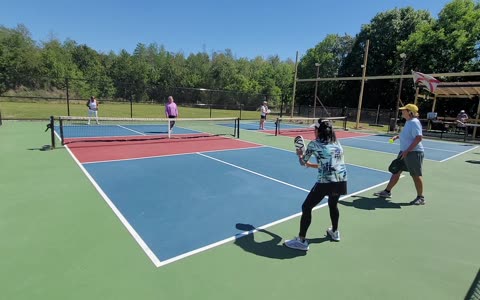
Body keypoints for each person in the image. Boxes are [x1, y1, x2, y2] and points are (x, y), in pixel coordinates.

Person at [284, 119, 348, 251]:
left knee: (306, 207)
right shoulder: (337, 143)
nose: (313, 131)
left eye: (315, 129)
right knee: (333, 204)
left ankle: (301, 241)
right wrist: (310, 164)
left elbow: (302, 162)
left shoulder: (314, 144)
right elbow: (328, 165)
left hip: (325, 183)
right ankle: (335, 232)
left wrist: (300, 155)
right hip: (341, 180)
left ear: (319, 131)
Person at [374, 103, 425, 205]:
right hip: (404, 152)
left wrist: (407, 151)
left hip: (413, 153)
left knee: (416, 175)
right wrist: (397, 137)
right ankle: (387, 192)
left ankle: (421, 197)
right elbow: (406, 135)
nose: (402, 112)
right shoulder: (408, 122)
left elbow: (419, 138)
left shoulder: (414, 122)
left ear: (410, 112)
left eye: (404, 110)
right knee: (396, 171)